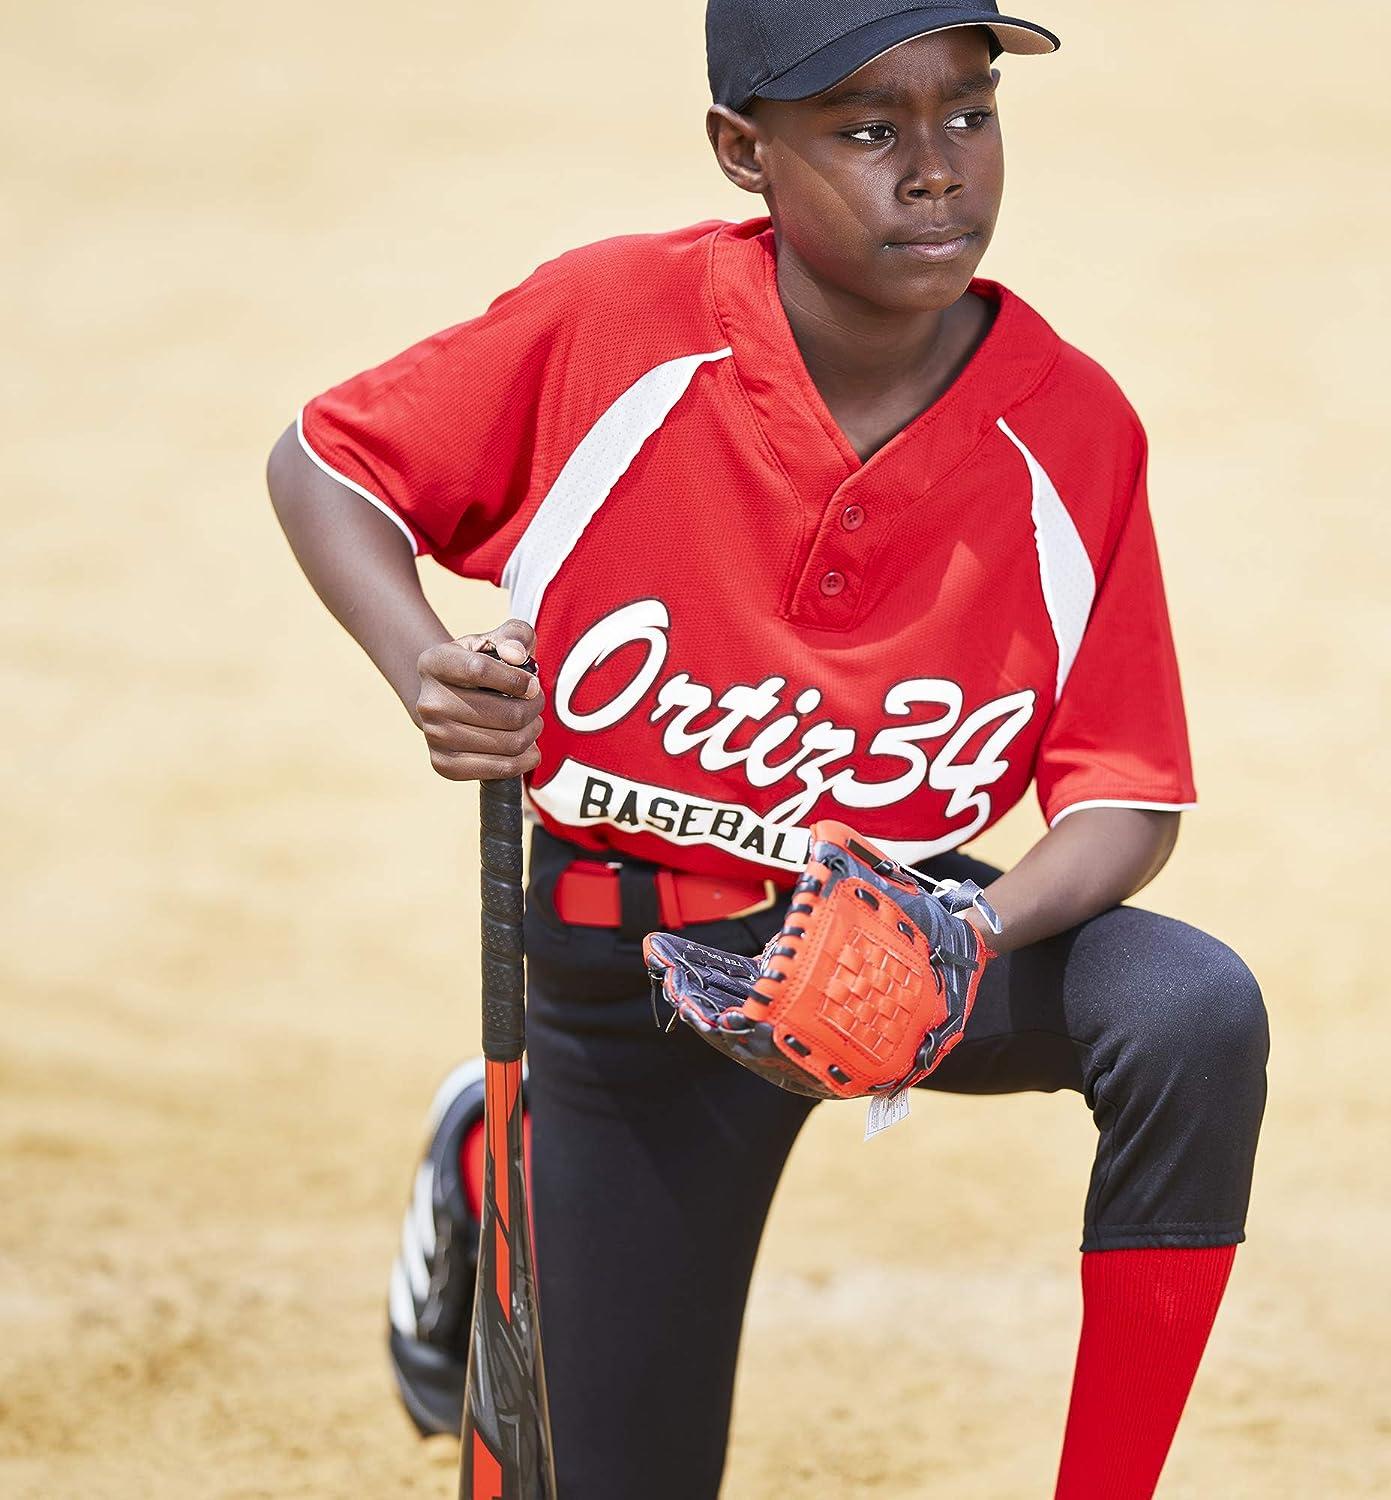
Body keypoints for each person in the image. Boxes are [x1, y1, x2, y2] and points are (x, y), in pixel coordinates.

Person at [266, 2, 1269, 1494]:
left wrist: (960, 929)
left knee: (1191, 1012)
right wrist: (427, 660)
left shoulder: (1073, 428)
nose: (935, 169)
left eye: (970, 114)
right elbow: (328, 464)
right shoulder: (618, 327)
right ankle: (505, 1152)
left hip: (892, 945)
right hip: (628, 993)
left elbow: (1124, 797)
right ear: (746, 151)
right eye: (869, 129)